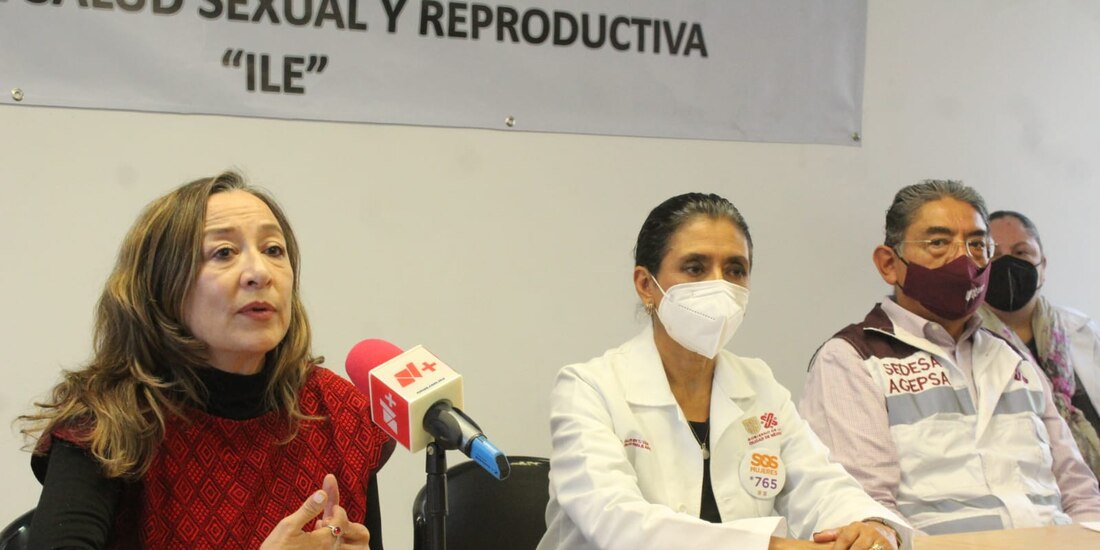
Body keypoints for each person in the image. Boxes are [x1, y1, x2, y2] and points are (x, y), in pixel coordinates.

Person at [18, 172, 394, 549]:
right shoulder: (106, 419)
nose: (260, 273)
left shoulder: (341, 413)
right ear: (163, 286)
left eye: (273, 250)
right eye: (224, 253)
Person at [538, 193, 911, 550]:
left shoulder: (759, 384)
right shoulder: (589, 388)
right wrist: (775, 547)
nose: (719, 285)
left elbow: (820, 484)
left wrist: (870, 525)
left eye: (735, 269)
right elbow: (617, 522)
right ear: (645, 285)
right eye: (695, 268)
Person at [800, 180, 1100, 536]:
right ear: (888, 264)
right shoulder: (853, 359)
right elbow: (867, 510)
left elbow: (1082, 496)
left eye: (976, 244)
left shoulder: (1012, 359)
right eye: (938, 243)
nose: (963, 259)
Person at [978, 210, 1100, 474]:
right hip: (1034, 492)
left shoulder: (1082, 331)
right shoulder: (963, 343)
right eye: (994, 255)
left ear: (1042, 267)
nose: (1008, 263)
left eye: (1021, 253)